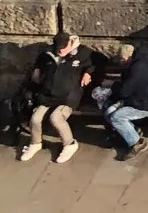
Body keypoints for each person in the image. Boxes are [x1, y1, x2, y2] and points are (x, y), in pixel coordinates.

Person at [19, 32, 93, 163]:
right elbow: (39, 63)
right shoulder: (48, 54)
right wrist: (37, 70)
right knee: (35, 118)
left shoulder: (82, 52)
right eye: (58, 47)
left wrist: (88, 73)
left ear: (70, 43)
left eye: (63, 47)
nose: (61, 50)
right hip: (48, 95)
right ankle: (35, 143)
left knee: (56, 118)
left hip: (68, 96)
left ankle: (69, 144)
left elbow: (95, 63)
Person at [93, 42, 148, 160]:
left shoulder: (136, 69)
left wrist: (112, 84)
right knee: (108, 112)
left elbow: (124, 91)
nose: (121, 62)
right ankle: (133, 131)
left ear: (128, 57)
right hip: (145, 97)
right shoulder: (144, 60)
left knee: (116, 117)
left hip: (143, 104)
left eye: (122, 60)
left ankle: (137, 143)